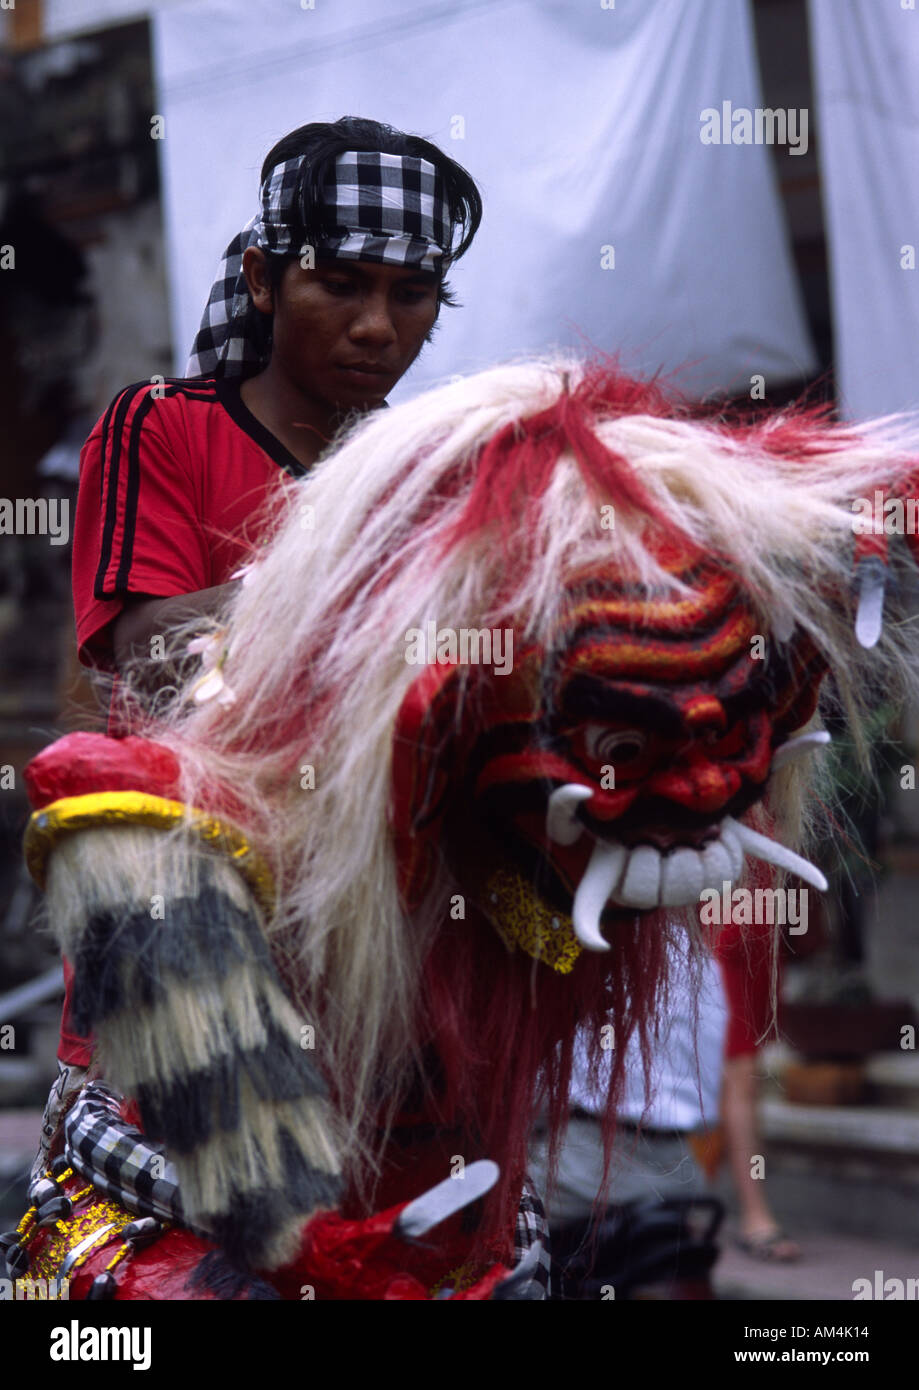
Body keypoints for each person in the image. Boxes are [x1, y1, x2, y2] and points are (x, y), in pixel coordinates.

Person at [51, 114, 483, 1084]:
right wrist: (340, 565)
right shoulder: (158, 427)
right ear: (260, 279)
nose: (378, 326)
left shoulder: (432, 479)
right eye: (340, 284)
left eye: (411, 295)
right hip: (194, 928)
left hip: (387, 949)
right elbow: (148, 655)